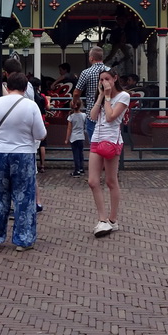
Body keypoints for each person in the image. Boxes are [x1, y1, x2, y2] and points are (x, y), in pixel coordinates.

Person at [0, 71, 47, 252]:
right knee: (24, 197)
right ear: (26, 88)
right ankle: (23, 240)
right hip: (23, 153)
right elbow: (41, 134)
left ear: (6, 86)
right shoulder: (30, 105)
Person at [88, 70, 130, 237]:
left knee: (111, 181)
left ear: (115, 78)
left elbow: (111, 116)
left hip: (111, 140)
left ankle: (113, 219)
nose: (104, 82)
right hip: (96, 139)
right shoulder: (102, 96)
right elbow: (92, 116)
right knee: (92, 181)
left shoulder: (123, 96)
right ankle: (102, 219)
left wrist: (107, 97)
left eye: (107, 79)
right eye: (102, 79)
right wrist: (100, 97)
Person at [73, 46, 109, 139]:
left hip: (92, 112)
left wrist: (74, 102)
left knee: (94, 143)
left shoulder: (86, 72)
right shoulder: (110, 71)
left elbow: (77, 92)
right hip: (108, 112)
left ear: (91, 58)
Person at [66, 97, 86, 177]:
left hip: (74, 137)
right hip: (81, 136)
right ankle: (81, 168)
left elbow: (69, 129)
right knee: (81, 153)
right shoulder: (84, 115)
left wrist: (67, 139)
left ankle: (76, 170)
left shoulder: (71, 117)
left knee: (75, 154)